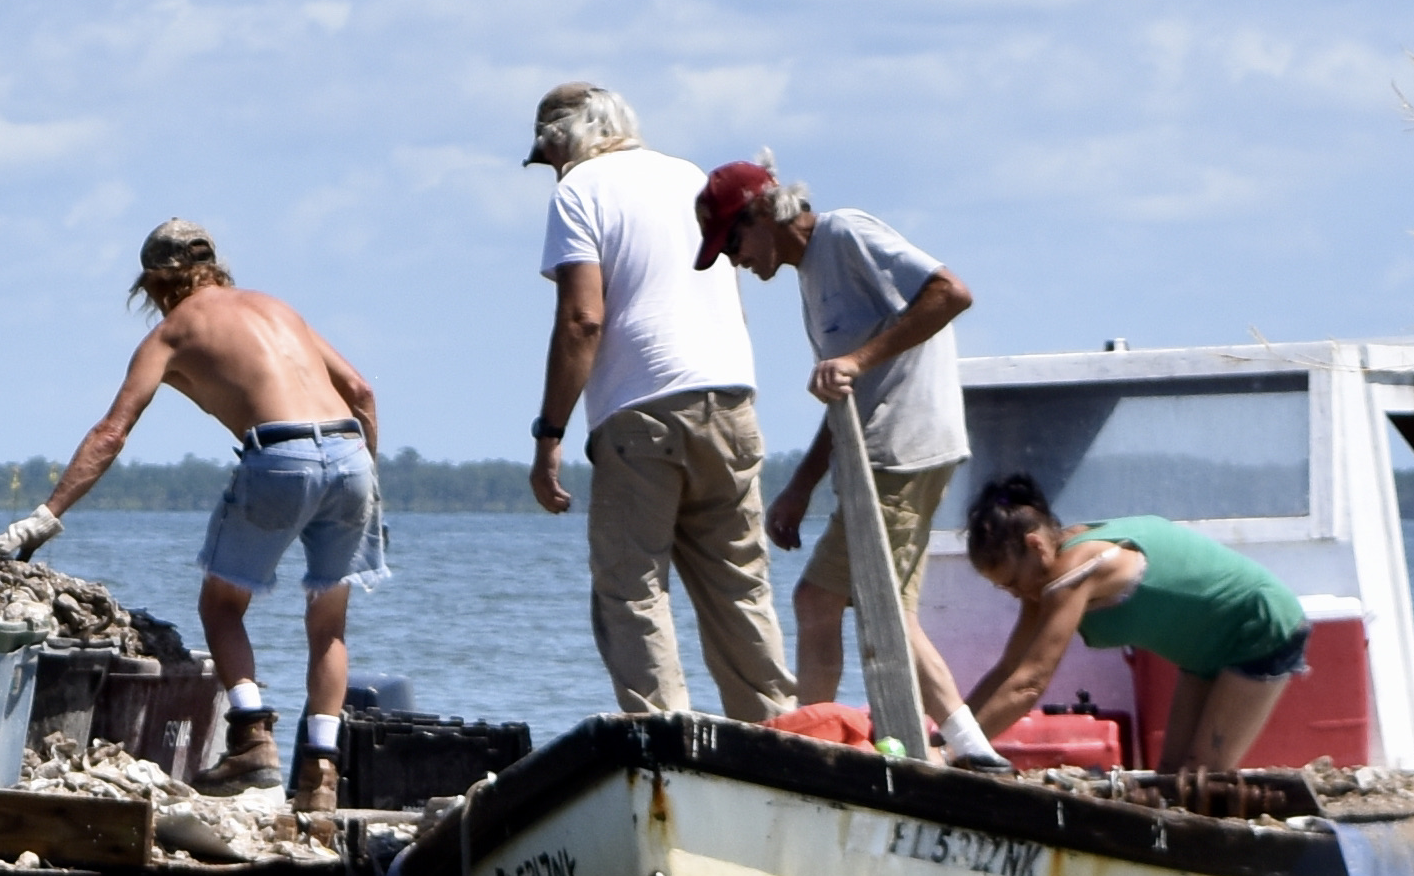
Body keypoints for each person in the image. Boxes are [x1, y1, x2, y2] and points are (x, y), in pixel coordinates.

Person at [5, 221, 383, 811]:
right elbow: (360, 392)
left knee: (221, 606)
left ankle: (252, 740)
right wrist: (367, 487)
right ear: (215, 267)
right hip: (351, 452)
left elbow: (112, 433)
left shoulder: (172, 332)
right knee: (329, 623)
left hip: (281, 456)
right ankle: (321, 774)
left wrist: (46, 516)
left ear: (156, 284)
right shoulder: (276, 307)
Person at [519, 80, 793, 721]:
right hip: (730, 398)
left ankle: (664, 741)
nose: (553, 170)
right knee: (740, 589)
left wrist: (549, 434)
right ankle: (780, 735)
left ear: (563, 141)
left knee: (631, 589)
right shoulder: (689, 176)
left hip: (641, 414)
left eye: (550, 157)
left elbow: (583, 320)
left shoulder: (579, 190)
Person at [704, 162, 982, 719]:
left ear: (763, 213)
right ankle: (961, 743)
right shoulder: (810, 275)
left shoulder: (845, 232)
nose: (734, 260)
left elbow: (950, 293)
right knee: (882, 611)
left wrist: (858, 358)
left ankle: (816, 732)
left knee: (827, 601)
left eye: (733, 242)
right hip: (882, 452)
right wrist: (800, 487)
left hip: (903, 450)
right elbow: (847, 395)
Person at [959, 474, 1317, 774]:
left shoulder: (1076, 569)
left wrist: (956, 753)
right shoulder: (1041, 578)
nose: (1014, 593)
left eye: (1012, 582)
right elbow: (1009, 669)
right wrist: (946, 737)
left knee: (1201, 778)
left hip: (1257, 625)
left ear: (1035, 545)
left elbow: (1030, 684)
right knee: (1170, 778)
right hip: (1205, 651)